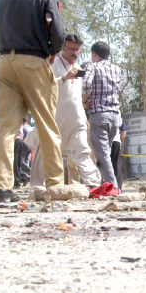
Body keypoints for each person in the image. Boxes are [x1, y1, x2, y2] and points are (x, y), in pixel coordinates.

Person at [0, 0, 66, 203]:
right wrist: (52, 51)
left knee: (5, 127)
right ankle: (55, 184)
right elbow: (58, 30)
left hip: (4, 61)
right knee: (46, 123)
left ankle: (3, 188)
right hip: (33, 62)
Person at [30, 34, 101, 189]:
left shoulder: (78, 69)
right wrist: (63, 78)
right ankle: (37, 186)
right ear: (64, 47)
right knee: (46, 149)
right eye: (72, 49)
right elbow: (43, 87)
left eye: (77, 50)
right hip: (55, 116)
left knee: (82, 149)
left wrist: (84, 116)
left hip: (76, 118)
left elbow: (77, 96)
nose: (74, 53)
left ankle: (94, 184)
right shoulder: (53, 64)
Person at [82, 41, 123, 190]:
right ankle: (106, 185)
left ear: (94, 54)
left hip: (99, 114)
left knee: (103, 155)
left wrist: (85, 100)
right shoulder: (116, 69)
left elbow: (86, 84)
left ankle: (113, 188)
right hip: (114, 116)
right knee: (106, 153)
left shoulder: (92, 66)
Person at [111, 119, 126, 190]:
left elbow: (123, 133)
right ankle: (118, 187)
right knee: (117, 165)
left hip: (105, 142)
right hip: (116, 141)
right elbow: (123, 134)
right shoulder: (118, 116)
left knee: (103, 164)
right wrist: (119, 141)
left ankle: (107, 185)